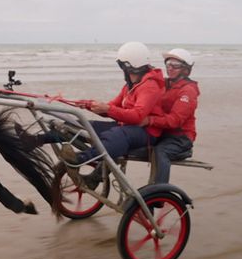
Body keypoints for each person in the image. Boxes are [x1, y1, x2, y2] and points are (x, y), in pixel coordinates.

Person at [17, 42, 165, 188]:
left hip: (146, 133)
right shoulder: (130, 85)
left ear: (128, 66)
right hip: (126, 127)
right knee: (79, 125)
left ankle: (80, 158)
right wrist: (90, 105)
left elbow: (137, 116)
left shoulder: (149, 86)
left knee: (116, 135)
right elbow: (113, 106)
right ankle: (35, 140)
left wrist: (107, 109)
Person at [142, 48, 200, 184]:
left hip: (181, 138)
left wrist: (149, 120)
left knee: (160, 152)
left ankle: (160, 192)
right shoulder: (164, 84)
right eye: (168, 64)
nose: (170, 68)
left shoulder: (188, 91)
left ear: (185, 69)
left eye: (175, 65)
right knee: (126, 139)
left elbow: (175, 121)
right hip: (162, 133)